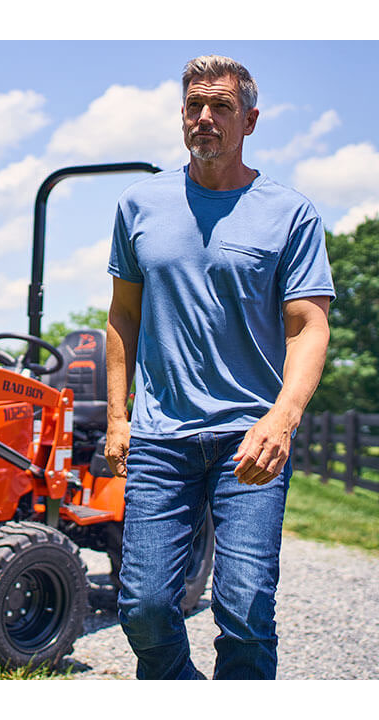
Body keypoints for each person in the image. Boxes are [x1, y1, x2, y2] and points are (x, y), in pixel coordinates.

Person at [104, 55, 334, 680]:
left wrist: (281, 421)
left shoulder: (291, 213)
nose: (204, 118)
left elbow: (310, 325)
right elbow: (123, 316)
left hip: (249, 438)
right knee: (145, 605)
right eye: (193, 106)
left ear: (250, 119)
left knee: (246, 609)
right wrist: (119, 418)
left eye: (222, 107)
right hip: (159, 436)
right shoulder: (138, 206)